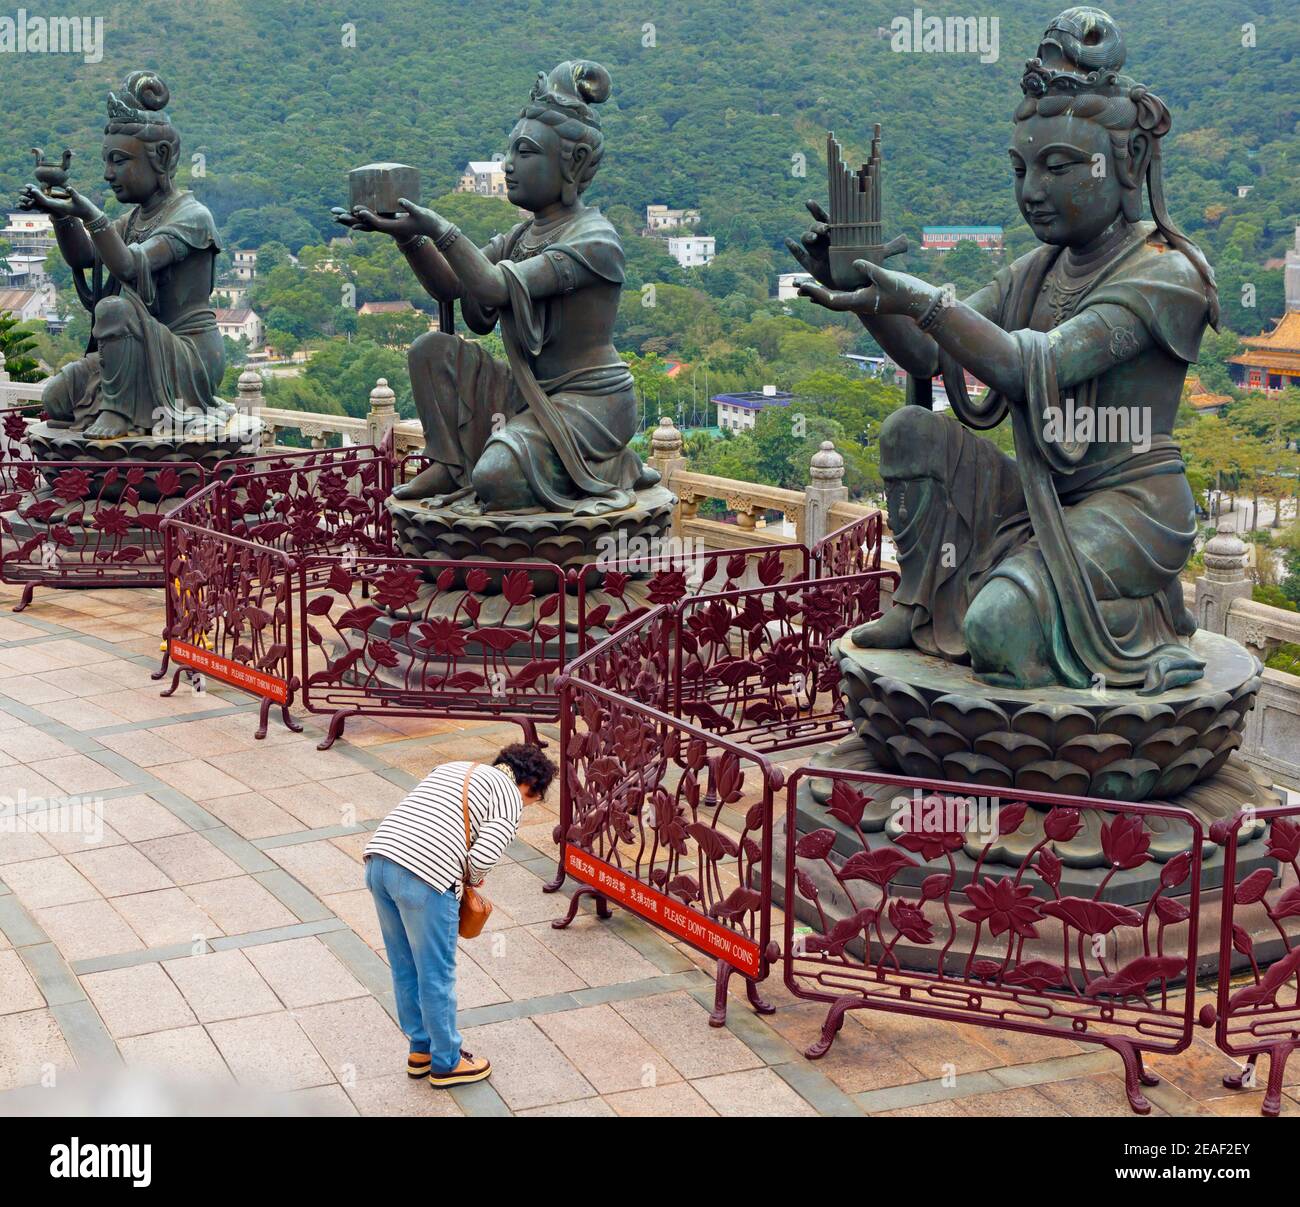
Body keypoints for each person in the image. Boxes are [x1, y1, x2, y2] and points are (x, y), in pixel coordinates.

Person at [788, 7, 1214, 696]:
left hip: (1130, 506)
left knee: (998, 629)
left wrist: (921, 297)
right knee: (909, 433)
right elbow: (930, 357)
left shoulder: (1167, 274)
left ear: (1128, 161)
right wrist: (866, 290)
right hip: (1042, 493)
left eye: (1058, 167)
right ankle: (919, 601)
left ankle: (1118, 634)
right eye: (1021, 169)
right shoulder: (1039, 268)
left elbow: (1026, 361)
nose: (1032, 192)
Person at [332, 59, 657, 517]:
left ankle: (609, 461)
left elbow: (492, 288)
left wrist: (441, 227)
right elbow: (451, 287)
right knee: (430, 348)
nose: (508, 165)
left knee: (495, 478)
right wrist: (406, 234)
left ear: (574, 163)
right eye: (509, 152)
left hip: (588, 401)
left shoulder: (594, 240)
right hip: (526, 393)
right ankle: (449, 461)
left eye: (524, 153)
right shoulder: (520, 237)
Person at [18, 71, 225, 439]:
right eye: (106, 162)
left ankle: (119, 411)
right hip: (136, 349)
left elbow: (129, 265)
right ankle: (117, 405)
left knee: (114, 309)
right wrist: (62, 215)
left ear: (160, 157)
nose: (108, 174)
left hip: (186, 355)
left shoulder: (192, 217)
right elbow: (85, 257)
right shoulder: (131, 220)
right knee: (57, 399)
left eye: (118, 161)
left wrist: (92, 216)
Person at [363, 743, 556, 1087]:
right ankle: (447, 1061)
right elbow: (482, 858)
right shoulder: (510, 797)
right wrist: (471, 878)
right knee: (436, 973)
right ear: (531, 786)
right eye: (535, 800)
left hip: (380, 861)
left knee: (405, 965)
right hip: (425, 876)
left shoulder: (452, 767)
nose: (528, 806)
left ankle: (420, 1049)